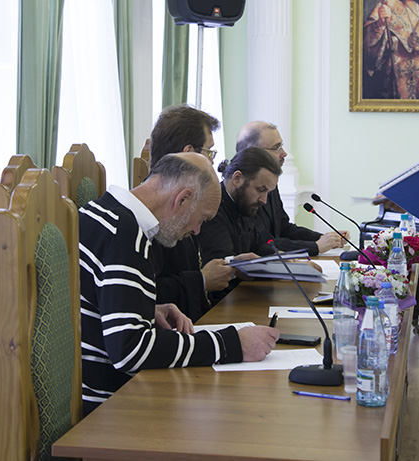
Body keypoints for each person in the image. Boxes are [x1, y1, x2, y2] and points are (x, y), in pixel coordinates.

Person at [78, 152, 279, 414]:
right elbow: (131, 351)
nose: (197, 231)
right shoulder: (126, 236)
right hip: (109, 406)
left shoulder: (100, 212)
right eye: (202, 218)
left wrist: (145, 308)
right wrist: (231, 344)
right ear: (182, 199)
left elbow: (94, 302)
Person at [147, 104, 237, 318]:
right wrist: (202, 280)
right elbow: (146, 293)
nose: (213, 162)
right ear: (188, 153)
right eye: (209, 152)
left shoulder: (186, 202)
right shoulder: (150, 215)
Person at [235, 121, 347, 256]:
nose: (284, 153)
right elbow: (263, 242)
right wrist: (315, 246)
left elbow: (285, 229)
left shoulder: (270, 184)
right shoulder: (242, 190)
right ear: (254, 152)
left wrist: (325, 239)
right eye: (276, 148)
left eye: (281, 146)